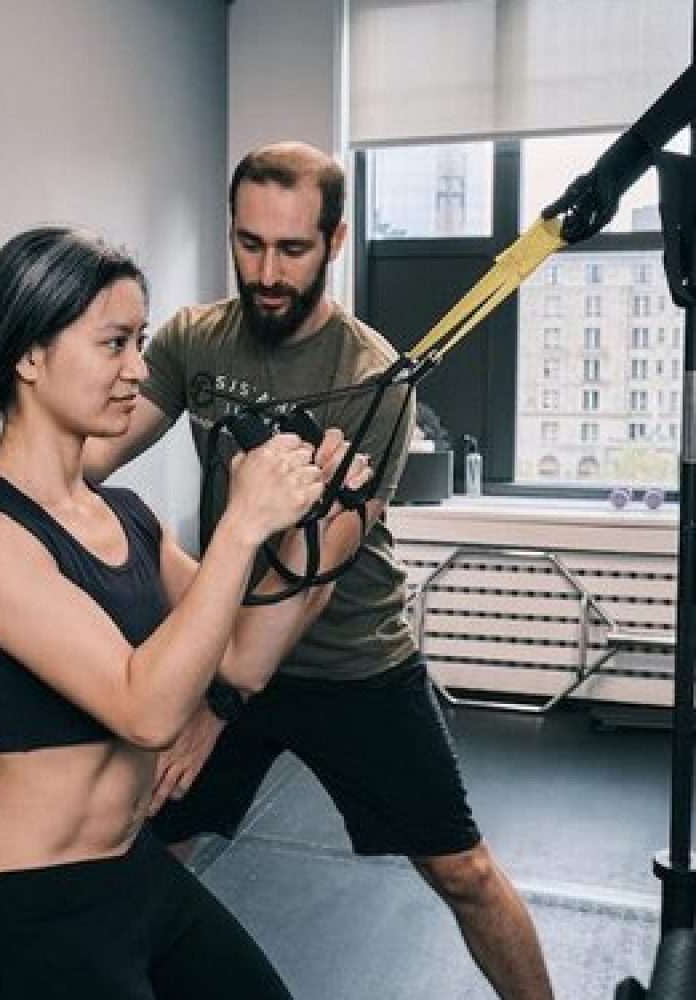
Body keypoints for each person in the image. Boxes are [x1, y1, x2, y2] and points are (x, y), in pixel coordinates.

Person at [81, 142, 556, 998]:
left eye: (291, 249)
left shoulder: (373, 375)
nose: (266, 270)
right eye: (249, 243)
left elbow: (314, 578)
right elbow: (98, 452)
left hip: (350, 660)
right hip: (225, 641)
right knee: (142, 846)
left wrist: (215, 708)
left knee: (464, 873)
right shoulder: (195, 340)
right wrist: (21, 467)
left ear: (334, 241)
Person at [0, 225, 368, 1000]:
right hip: (38, 908)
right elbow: (148, 710)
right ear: (30, 357)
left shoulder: (125, 515)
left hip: (131, 868)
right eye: (115, 343)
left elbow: (243, 657)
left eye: (142, 341)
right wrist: (239, 524)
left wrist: (319, 523)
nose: (139, 370)